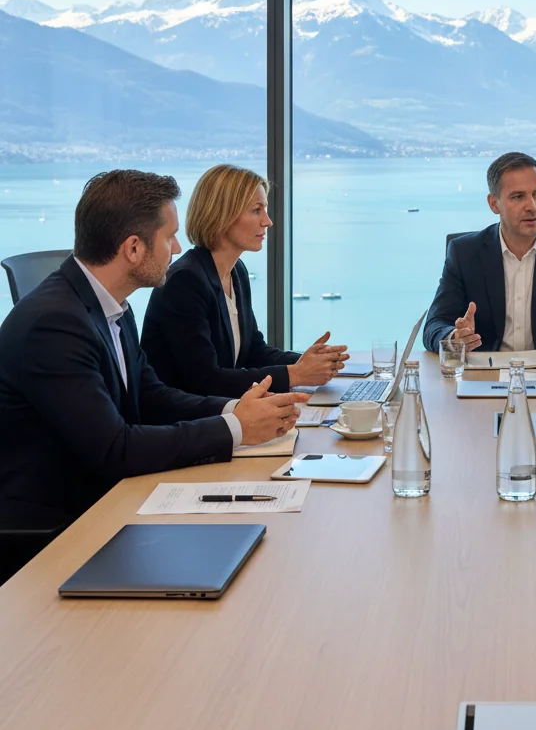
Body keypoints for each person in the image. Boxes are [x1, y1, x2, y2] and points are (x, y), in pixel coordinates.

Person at [0, 169, 308, 530]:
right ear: (133, 248)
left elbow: (152, 396)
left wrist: (237, 409)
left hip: (110, 498)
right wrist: (235, 428)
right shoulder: (53, 325)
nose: (177, 249)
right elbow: (116, 449)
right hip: (57, 526)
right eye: (170, 237)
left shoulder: (111, 306)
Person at [142, 165, 349, 398]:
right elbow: (205, 380)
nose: (268, 221)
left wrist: (310, 361)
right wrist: (296, 374)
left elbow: (254, 351)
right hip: (185, 424)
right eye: (256, 210)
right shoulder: (184, 282)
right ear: (222, 215)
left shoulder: (236, 271)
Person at [423, 152, 536, 355]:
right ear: (494, 204)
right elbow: (434, 325)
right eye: (518, 197)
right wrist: (455, 339)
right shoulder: (464, 253)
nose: (532, 206)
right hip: (483, 375)